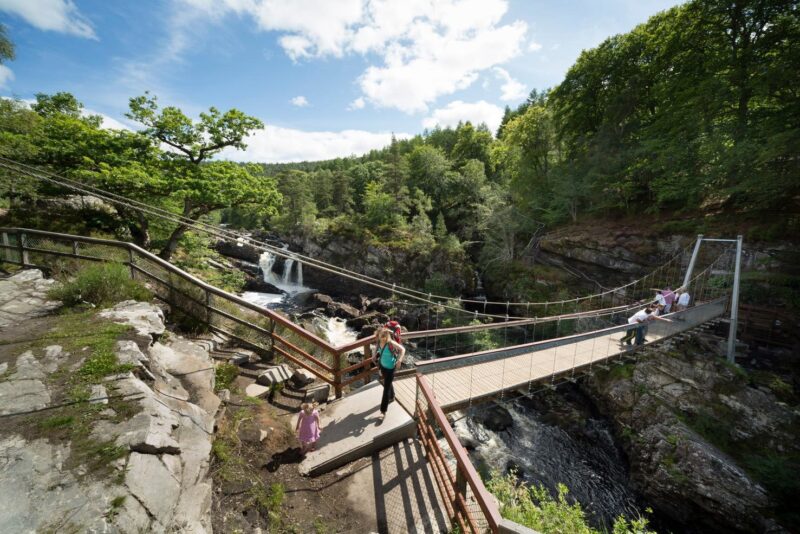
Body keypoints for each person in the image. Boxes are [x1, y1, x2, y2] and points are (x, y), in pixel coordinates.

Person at [372, 327, 406, 421]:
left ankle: (383, 411)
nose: (383, 338)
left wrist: (399, 360)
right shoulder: (378, 342)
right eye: (381, 336)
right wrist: (374, 355)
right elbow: (377, 351)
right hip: (383, 366)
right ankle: (392, 396)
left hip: (391, 368)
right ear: (378, 336)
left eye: (385, 336)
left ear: (387, 335)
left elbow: (403, 349)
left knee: (386, 388)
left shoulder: (390, 343)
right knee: (388, 382)